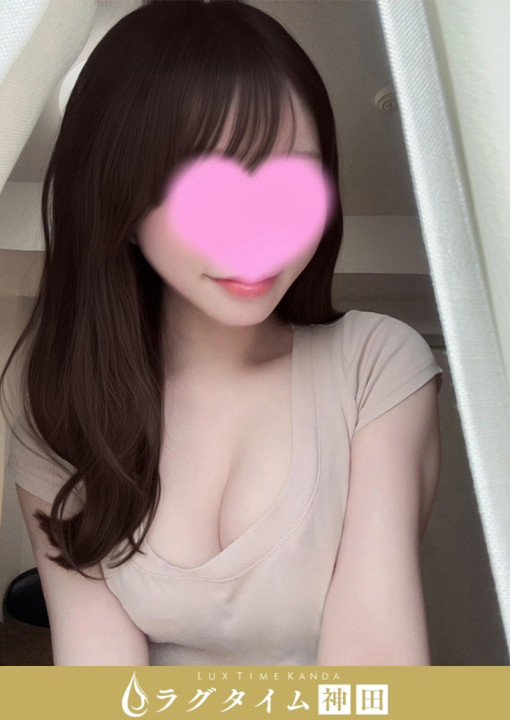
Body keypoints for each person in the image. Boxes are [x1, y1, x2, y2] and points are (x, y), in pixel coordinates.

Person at [1, 0, 443, 666]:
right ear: (118, 202)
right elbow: (98, 684)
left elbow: (376, 675)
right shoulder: (60, 414)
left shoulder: (374, 367)